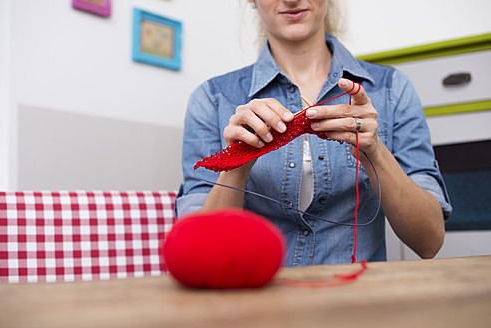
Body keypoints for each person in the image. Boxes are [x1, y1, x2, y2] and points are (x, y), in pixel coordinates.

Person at [176, 0, 452, 266]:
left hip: (361, 303)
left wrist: (374, 152)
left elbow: (428, 242)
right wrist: (238, 162)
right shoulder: (212, 99)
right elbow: (196, 250)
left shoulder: (392, 90)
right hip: (256, 305)